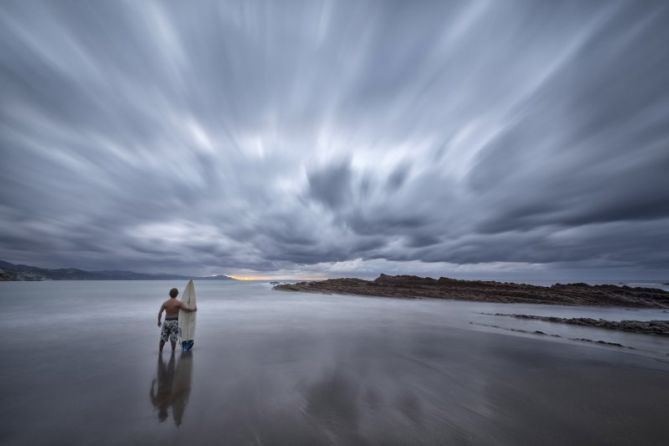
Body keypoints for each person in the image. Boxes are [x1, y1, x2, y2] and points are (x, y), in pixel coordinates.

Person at [158, 288, 197, 353]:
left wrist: (159, 321)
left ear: (169, 294)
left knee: (163, 338)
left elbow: (160, 313)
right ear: (176, 294)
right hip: (175, 322)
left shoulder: (165, 303)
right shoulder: (178, 303)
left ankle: (160, 352)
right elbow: (186, 310)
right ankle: (173, 352)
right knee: (173, 338)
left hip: (166, 322)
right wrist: (193, 309)